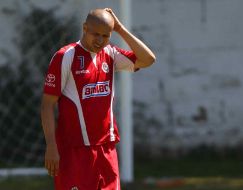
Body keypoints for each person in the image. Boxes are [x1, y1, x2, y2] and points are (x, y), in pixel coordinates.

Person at [41, 8, 156, 190]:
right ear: (85, 28)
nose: (100, 41)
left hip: (106, 147)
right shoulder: (65, 57)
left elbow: (148, 59)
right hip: (74, 150)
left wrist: (120, 28)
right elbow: (47, 105)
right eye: (96, 34)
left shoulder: (110, 54)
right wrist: (51, 146)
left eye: (106, 35)